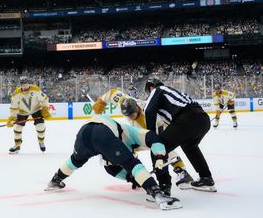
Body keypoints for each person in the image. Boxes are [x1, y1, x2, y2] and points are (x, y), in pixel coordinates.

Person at [44, 114, 182, 210]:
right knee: (130, 162)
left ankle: (55, 180)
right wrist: (159, 158)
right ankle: (158, 194)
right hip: (102, 131)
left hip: (83, 133)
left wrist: (132, 178)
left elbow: (112, 169)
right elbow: (154, 138)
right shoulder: (132, 132)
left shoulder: (116, 145)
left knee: (75, 160)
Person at [92, 88, 194, 189]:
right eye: (127, 115)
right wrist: (101, 102)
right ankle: (134, 174)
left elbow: (158, 141)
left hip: (153, 133)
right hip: (138, 134)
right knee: (124, 149)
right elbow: (112, 93)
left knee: (164, 148)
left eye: (131, 114)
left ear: (137, 109)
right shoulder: (126, 102)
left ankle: (181, 170)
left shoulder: (151, 117)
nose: (130, 117)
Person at [144, 78, 216, 192]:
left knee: (158, 147)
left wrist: (150, 134)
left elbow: (148, 111)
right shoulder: (170, 93)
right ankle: (206, 177)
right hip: (203, 119)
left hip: (187, 118)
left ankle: (163, 187)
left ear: (151, 87)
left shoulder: (158, 90)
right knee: (189, 146)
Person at [6, 76, 51, 154]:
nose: (25, 86)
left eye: (26, 84)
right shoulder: (16, 94)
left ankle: (41, 142)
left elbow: (45, 99)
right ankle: (17, 145)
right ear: (20, 85)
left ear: (29, 84)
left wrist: (45, 109)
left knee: (40, 126)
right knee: (17, 128)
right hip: (22, 111)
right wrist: (12, 118)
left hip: (36, 109)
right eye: (23, 84)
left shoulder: (36, 89)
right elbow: (14, 107)